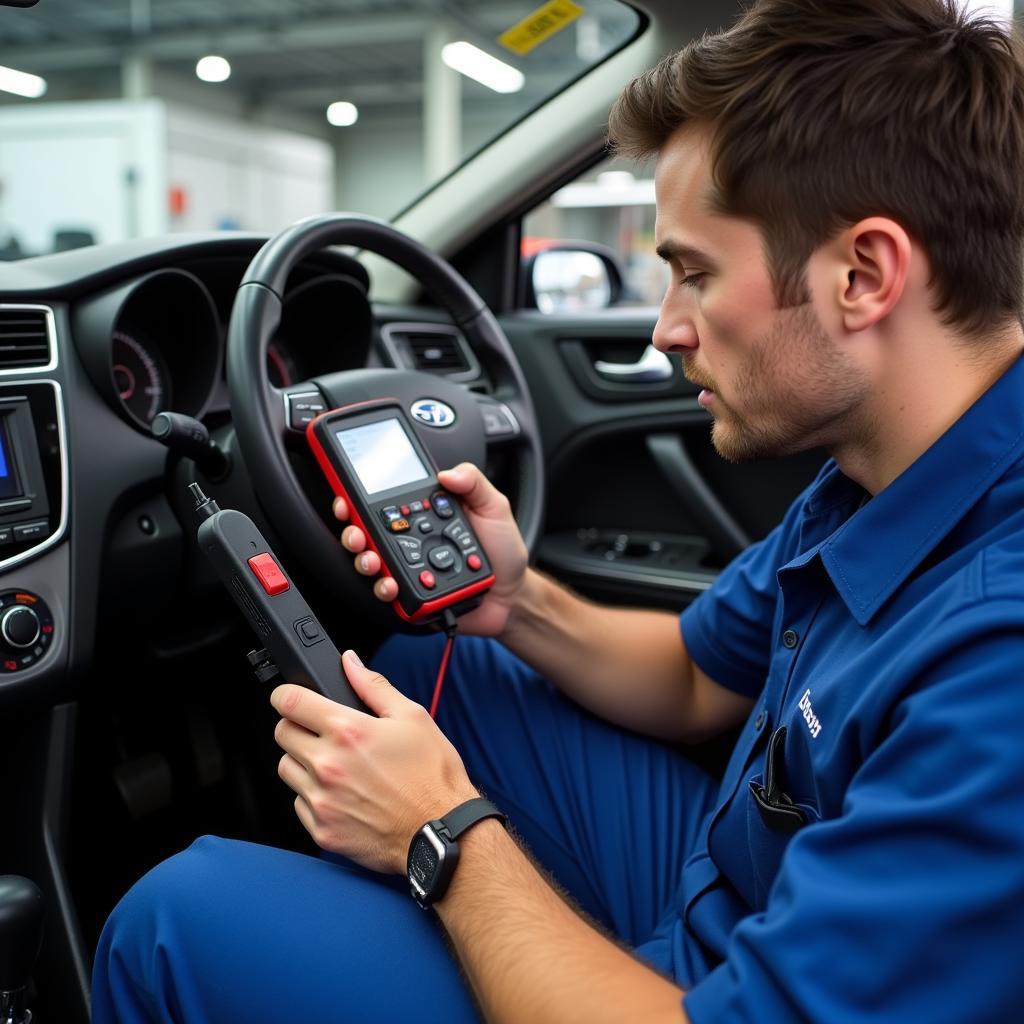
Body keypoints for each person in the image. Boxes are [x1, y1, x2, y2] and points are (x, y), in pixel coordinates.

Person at [91, 1, 1024, 1020]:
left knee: (172, 917)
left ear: (863, 275)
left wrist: (440, 832)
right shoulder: (880, 468)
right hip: (734, 871)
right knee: (410, 662)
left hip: (717, 985)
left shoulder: (996, 667)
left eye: (694, 272)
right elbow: (695, 678)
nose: (665, 328)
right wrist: (517, 598)